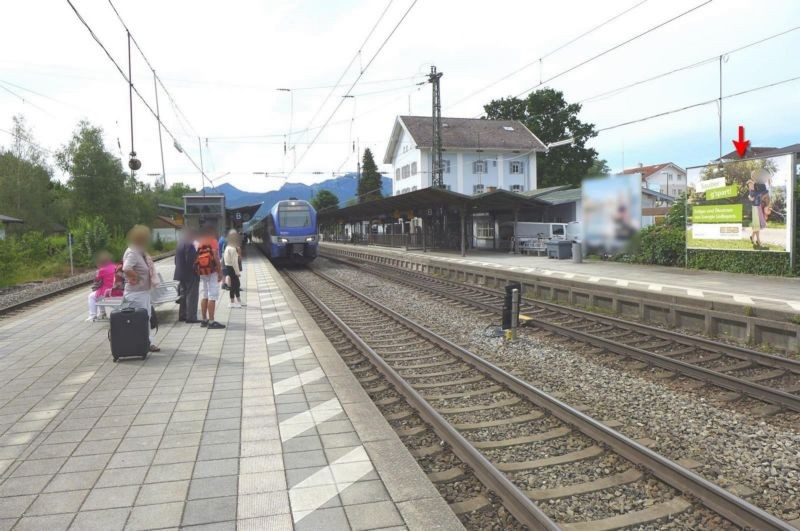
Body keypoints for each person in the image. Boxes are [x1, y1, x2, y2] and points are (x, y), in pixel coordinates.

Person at [122, 225, 161, 352]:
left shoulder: (140, 251)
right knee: (141, 318)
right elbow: (126, 268)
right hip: (136, 293)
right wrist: (136, 277)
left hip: (142, 292)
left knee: (146, 317)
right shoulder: (133, 252)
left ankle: (147, 341)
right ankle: (145, 343)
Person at [196, 225, 226, 329]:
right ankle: (212, 321)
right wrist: (220, 271)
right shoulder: (213, 241)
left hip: (203, 271)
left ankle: (204, 320)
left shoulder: (201, 241)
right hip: (212, 271)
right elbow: (216, 257)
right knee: (212, 295)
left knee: (204, 294)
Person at [174, 228, 200, 323]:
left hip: (180, 274)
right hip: (190, 274)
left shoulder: (180, 243)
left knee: (183, 295)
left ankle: (182, 315)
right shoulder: (190, 244)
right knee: (192, 295)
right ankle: (191, 317)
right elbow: (190, 259)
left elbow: (176, 260)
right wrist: (195, 270)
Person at [87, 250, 116, 321]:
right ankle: (102, 313)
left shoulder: (102, 270)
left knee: (92, 296)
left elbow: (96, 280)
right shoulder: (114, 266)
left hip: (108, 292)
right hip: (115, 291)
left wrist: (99, 270)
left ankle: (93, 315)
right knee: (98, 294)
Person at [223, 230, 243, 308]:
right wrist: (237, 272)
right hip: (232, 268)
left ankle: (238, 300)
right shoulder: (232, 249)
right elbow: (235, 262)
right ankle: (232, 302)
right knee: (235, 285)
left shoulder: (228, 247)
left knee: (235, 285)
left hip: (229, 267)